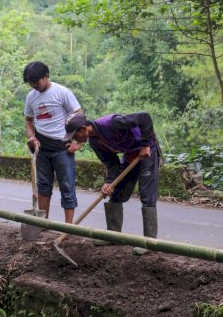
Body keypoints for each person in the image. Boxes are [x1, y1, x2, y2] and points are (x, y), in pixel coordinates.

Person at [64, 112, 161, 254]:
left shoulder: (112, 123)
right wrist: (109, 182)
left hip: (148, 151)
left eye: (74, 135)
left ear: (84, 129)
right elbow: (112, 163)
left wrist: (146, 144)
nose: (74, 139)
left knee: (147, 195)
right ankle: (113, 235)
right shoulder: (94, 142)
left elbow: (144, 118)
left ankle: (150, 242)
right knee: (116, 193)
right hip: (130, 155)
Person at [23, 61, 83, 224]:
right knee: (43, 186)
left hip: (62, 147)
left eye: (36, 81)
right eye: (31, 82)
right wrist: (31, 136)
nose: (34, 85)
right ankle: (44, 223)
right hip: (41, 148)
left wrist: (79, 143)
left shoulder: (62, 92)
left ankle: (69, 227)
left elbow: (79, 117)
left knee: (67, 186)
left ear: (46, 76)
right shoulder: (31, 97)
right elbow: (29, 120)